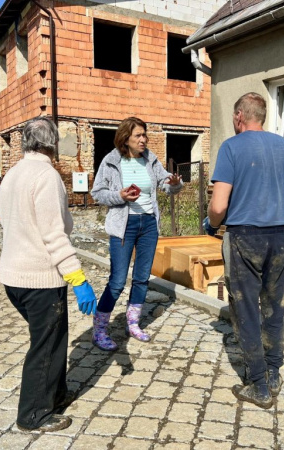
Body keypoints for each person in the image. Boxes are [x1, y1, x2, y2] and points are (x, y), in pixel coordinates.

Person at [204, 93, 284, 409]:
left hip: (244, 237)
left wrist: (210, 223)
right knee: (273, 305)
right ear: (261, 116)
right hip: (279, 236)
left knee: (246, 308)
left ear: (238, 116)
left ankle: (258, 384)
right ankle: (275, 370)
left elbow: (219, 205)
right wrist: (272, 211)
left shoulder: (232, 148)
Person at [0, 117, 97, 432]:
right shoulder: (46, 176)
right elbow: (55, 235)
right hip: (39, 278)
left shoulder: (12, 174)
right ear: (52, 144)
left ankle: (54, 395)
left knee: (52, 340)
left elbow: (9, 220)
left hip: (13, 277)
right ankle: (32, 415)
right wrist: (78, 280)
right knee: (46, 345)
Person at [91, 117, 183, 351]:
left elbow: (166, 185)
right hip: (124, 225)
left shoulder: (150, 159)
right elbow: (97, 193)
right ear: (126, 138)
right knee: (117, 281)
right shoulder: (111, 161)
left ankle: (132, 323)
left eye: (144, 135)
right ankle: (100, 329)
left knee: (142, 278)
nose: (143, 140)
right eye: (138, 136)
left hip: (149, 224)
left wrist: (174, 183)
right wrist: (119, 196)